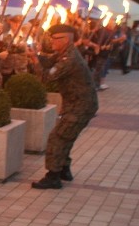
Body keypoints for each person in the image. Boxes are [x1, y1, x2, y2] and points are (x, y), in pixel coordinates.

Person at [30, 24, 98, 189]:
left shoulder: (70, 59)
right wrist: (35, 56)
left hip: (81, 106)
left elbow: (47, 77)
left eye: (54, 39)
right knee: (65, 136)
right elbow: (48, 63)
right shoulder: (64, 54)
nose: (51, 41)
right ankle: (64, 170)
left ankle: (53, 176)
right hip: (76, 104)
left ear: (65, 40)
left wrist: (34, 62)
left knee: (57, 137)